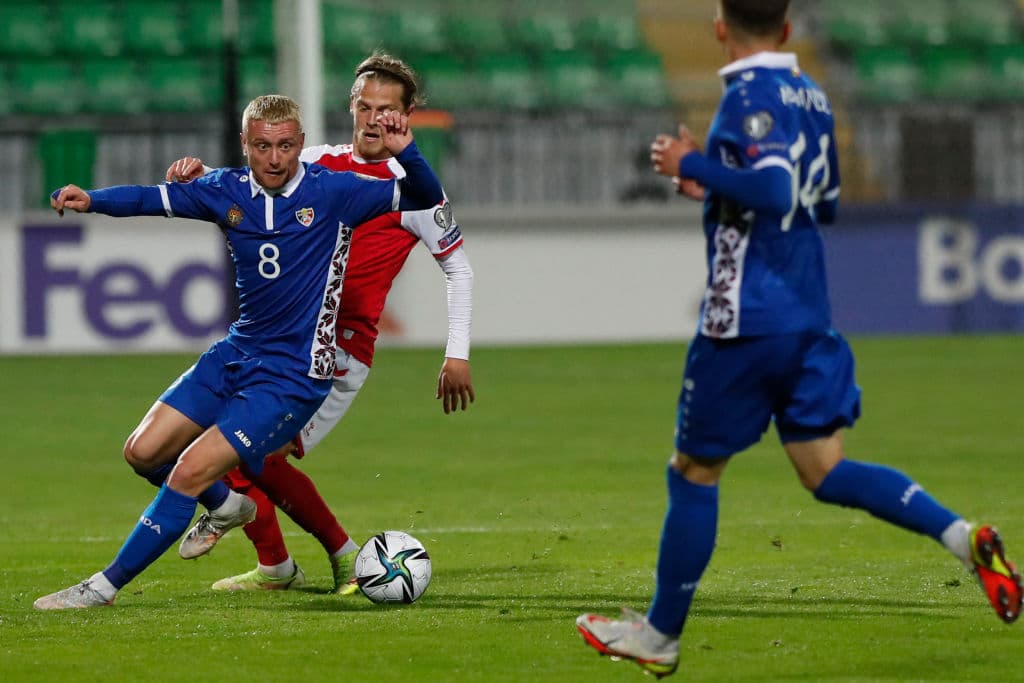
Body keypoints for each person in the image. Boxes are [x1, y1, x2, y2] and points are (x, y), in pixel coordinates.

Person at [575, 1, 1022, 677]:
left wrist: (694, 161)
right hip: (810, 312)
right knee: (825, 467)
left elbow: (777, 189)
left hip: (748, 318)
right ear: (786, 28)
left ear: (721, 24)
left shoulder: (747, 95)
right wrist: (715, 188)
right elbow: (825, 202)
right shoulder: (810, 94)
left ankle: (660, 636)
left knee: (694, 471)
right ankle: (963, 537)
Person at [34, 94, 445, 609]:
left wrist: (408, 151)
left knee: (187, 470)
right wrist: (90, 199)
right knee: (141, 453)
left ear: (300, 144)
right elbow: (150, 198)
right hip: (237, 353)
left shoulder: (336, 191)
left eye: (287, 146)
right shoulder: (223, 189)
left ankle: (102, 588)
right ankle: (227, 506)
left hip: (294, 375)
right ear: (245, 146)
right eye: (263, 146)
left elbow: (424, 196)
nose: (276, 158)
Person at [165, 52, 475, 594]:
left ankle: (323, 558)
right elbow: (249, 181)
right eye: (365, 106)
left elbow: (459, 269)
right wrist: (199, 176)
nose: (375, 118)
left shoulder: (416, 188)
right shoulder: (316, 163)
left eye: (388, 109)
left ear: (407, 116)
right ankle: (291, 566)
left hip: (340, 352)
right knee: (242, 452)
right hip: (280, 343)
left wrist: (457, 353)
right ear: (351, 107)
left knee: (248, 454)